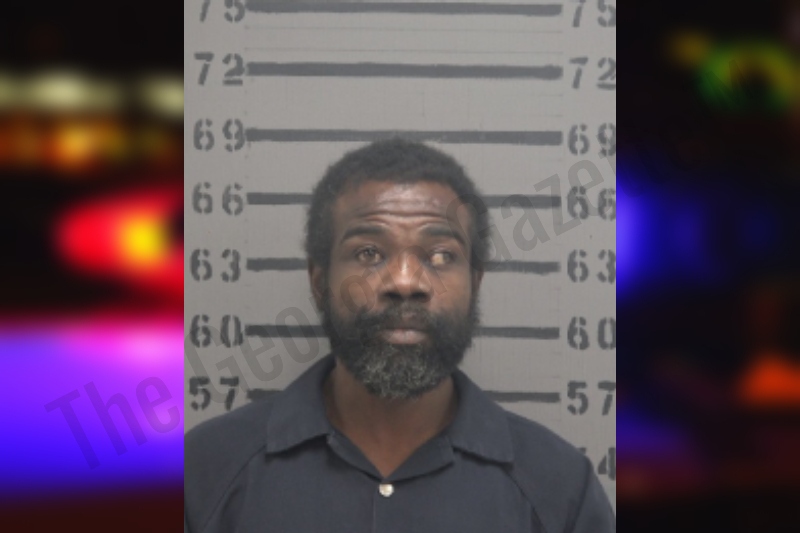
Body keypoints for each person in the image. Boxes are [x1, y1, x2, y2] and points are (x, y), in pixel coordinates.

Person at [184, 139, 615, 532]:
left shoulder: (561, 490)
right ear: (319, 282)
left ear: (475, 282)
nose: (406, 282)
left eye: (441, 255)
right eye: (369, 252)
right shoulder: (204, 472)